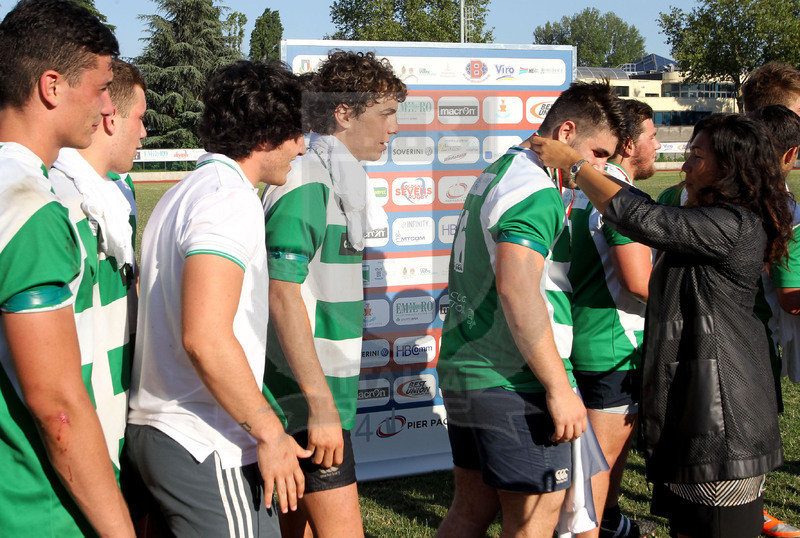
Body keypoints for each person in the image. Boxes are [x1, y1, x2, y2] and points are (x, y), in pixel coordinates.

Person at [531, 113, 792, 538]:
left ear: (730, 168)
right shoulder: (716, 219)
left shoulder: (734, 225)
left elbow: (645, 218)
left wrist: (576, 165)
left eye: (697, 156)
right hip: (701, 411)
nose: (686, 166)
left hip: (725, 420)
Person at [435, 81, 627, 537]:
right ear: (566, 132)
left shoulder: (501, 169)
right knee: (533, 524)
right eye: (599, 153)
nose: (602, 167)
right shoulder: (534, 189)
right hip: (514, 381)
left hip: (470, 370)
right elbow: (517, 290)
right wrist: (559, 388)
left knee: (470, 511)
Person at [126, 61, 310, 537]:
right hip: (203, 438)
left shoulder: (184, 191)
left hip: (173, 430)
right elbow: (205, 336)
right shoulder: (229, 199)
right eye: (295, 134)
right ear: (266, 137)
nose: (303, 147)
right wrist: (270, 432)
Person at [0, 1, 135, 536]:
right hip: (37, 509)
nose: (107, 107)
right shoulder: (30, 207)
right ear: (51, 86)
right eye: (101, 87)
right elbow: (58, 407)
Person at [261, 50, 406, 538]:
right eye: (385, 113)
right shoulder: (307, 177)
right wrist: (318, 403)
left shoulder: (341, 179)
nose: (395, 127)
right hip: (302, 397)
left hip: (317, 392)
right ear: (343, 114)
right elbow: (281, 295)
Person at [48, 58, 146, 484]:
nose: (144, 132)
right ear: (111, 119)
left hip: (116, 413)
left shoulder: (112, 196)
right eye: (140, 119)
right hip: (85, 431)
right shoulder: (64, 203)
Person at [566, 99, 658, 538]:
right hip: (614, 343)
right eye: (652, 135)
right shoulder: (620, 198)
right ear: (628, 144)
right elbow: (640, 282)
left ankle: (609, 525)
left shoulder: (581, 190)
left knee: (599, 461)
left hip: (584, 337)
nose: (658, 145)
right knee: (596, 466)